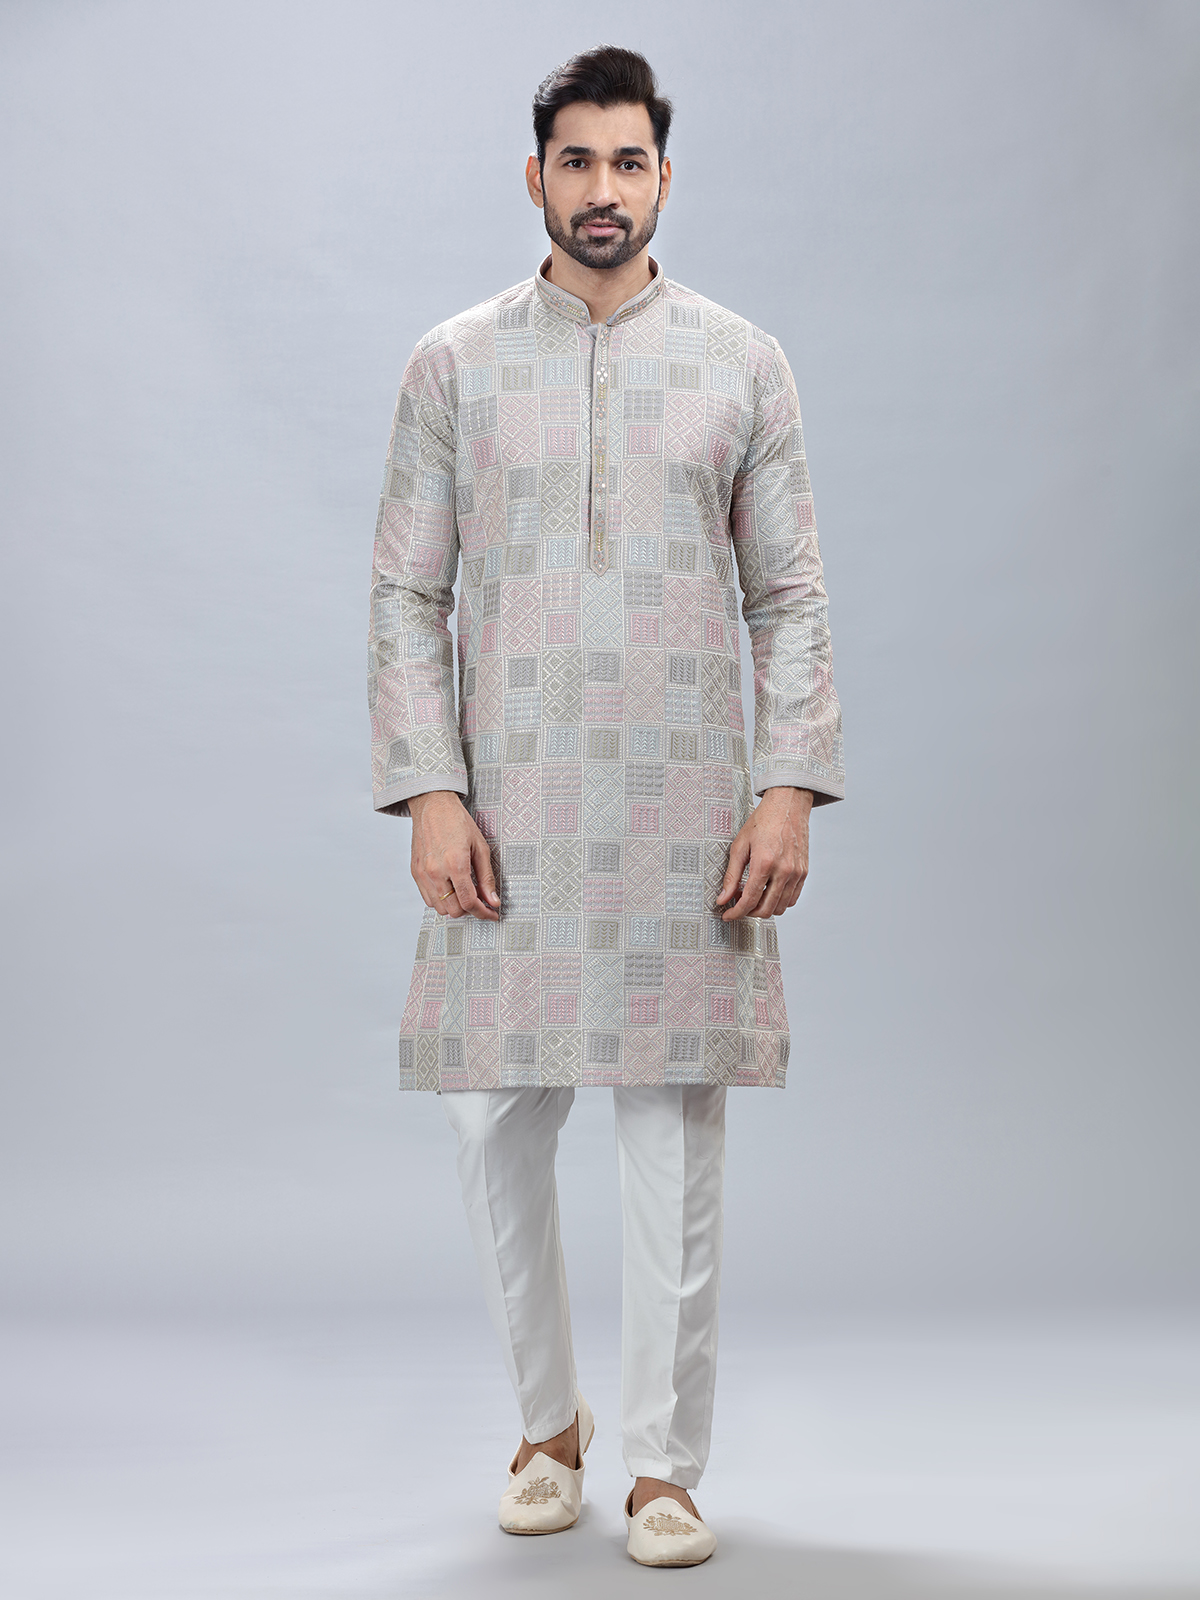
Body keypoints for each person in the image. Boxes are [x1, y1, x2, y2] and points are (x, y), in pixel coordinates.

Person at [367, 45, 843, 1569]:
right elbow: (407, 592)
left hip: (682, 805)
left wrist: (787, 787)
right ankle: (545, 1425)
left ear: (663, 179)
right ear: (535, 177)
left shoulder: (743, 362)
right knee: (488, 1115)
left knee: (673, 1128)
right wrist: (431, 791)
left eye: (627, 161)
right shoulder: (452, 364)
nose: (601, 188)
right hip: (508, 804)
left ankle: (662, 1470)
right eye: (575, 160)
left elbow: (790, 595)